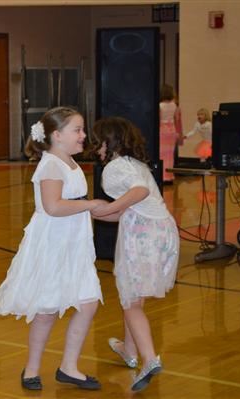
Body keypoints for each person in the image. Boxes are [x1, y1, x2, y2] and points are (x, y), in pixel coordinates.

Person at [0, 107, 107, 391]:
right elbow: (53, 206)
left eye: (82, 130)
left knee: (88, 302)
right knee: (46, 310)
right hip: (53, 243)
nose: (83, 135)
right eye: (77, 130)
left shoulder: (69, 161)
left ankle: (69, 367)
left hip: (74, 243)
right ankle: (31, 369)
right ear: (57, 135)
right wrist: (92, 204)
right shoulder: (51, 165)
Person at [88, 116, 179, 392]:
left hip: (143, 236)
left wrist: (104, 209)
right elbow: (133, 208)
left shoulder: (114, 169)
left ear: (108, 142)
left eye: (98, 142)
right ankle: (129, 351)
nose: (96, 148)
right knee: (133, 295)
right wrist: (100, 212)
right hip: (161, 230)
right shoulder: (135, 165)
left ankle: (149, 359)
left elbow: (138, 194)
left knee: (131, 302)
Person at [159, 84, 183, 183]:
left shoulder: (160, 106)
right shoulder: (175, 106)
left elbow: (159, 119)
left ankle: (162, 176)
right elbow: (177, 120)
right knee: (170, 154)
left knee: (161, 154)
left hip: (162, 130)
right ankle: (169, 176)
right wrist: (179, 134)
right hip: (172, 130)